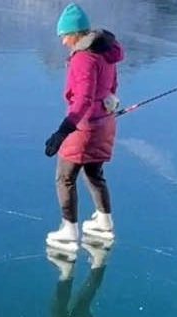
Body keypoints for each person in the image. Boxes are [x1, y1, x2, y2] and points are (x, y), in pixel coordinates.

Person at [44, 3, 125, 249]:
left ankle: (68, 230)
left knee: (65, 177)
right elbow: (111, 88)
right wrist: (107, 106)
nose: (63, 42)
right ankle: (104, 221)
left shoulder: (83, 59)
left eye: (65, 36)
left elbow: (83, 100)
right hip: (105, 123)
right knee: (93, 172)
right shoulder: (106, 53)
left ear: (76, 34)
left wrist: (63, 131)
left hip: (85, 128)